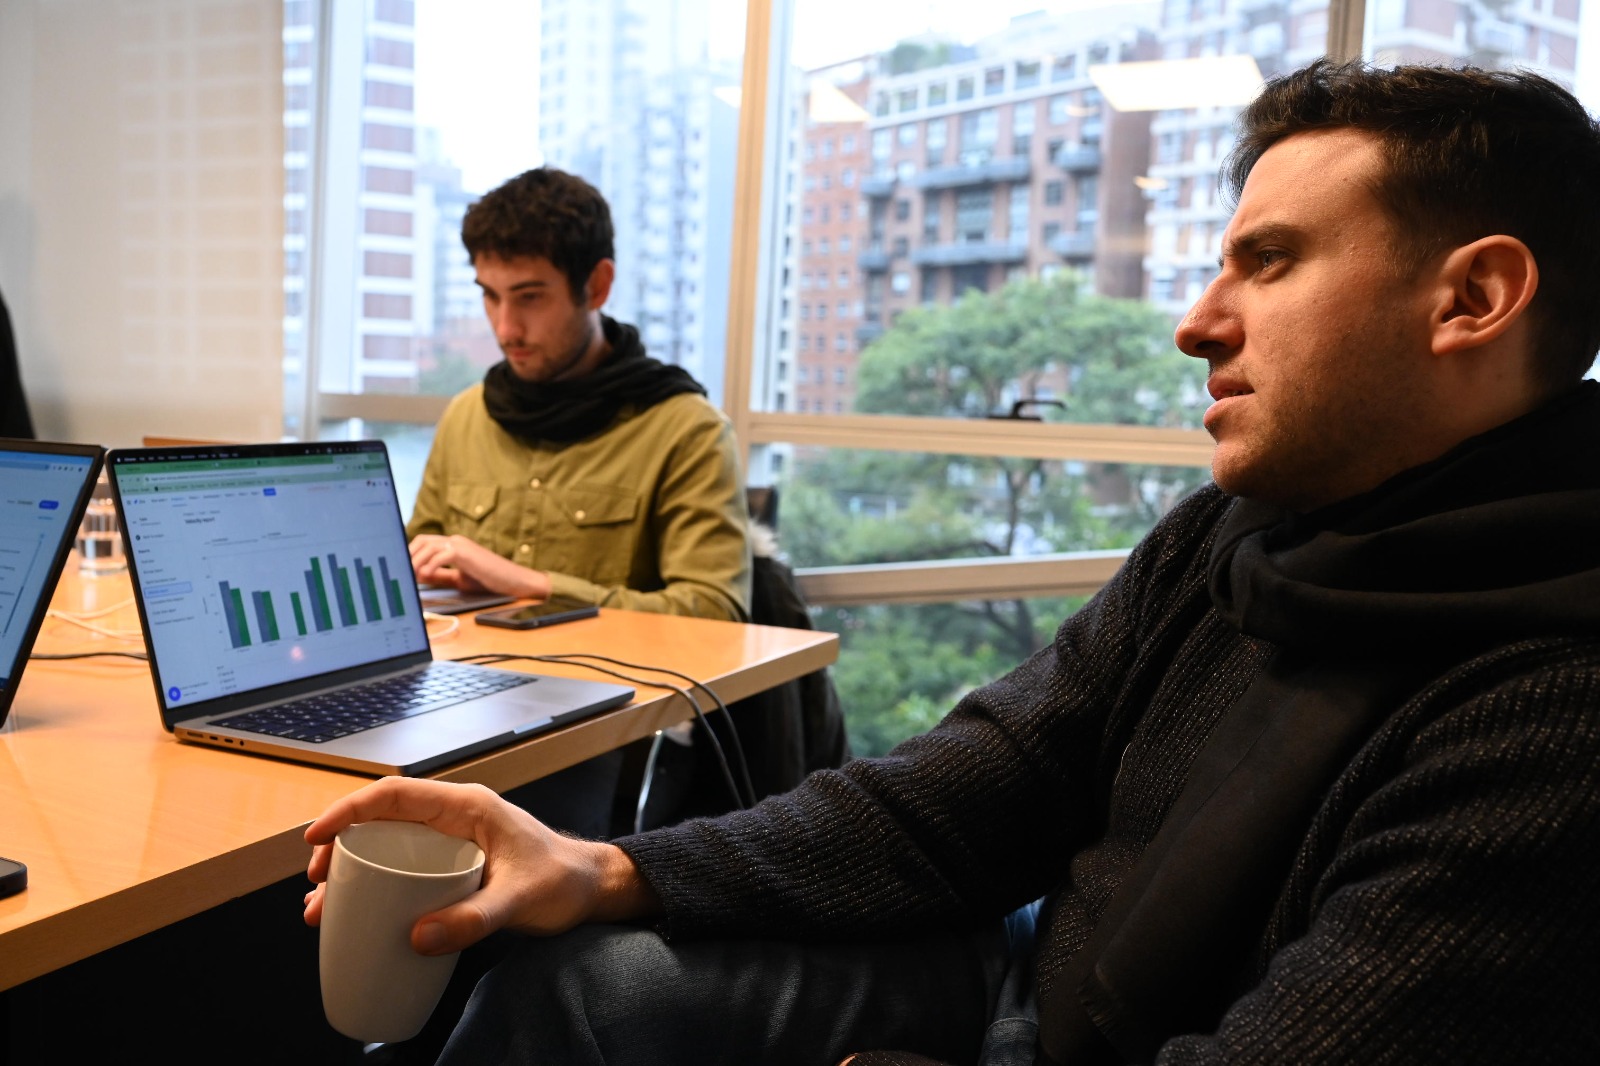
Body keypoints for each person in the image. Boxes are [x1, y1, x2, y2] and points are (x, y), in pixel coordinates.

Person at [304, 61, 1600, 1064]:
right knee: (558, 978)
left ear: (1472, 299)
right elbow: (977, 785)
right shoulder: (1236, 532)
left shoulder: (1549, 714)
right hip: (1033, 973)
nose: (1197, 323)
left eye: (1269, 264)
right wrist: (618, 866)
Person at [406, 166, 750, 623]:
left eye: (530, 297)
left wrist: (534, 585)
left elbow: (716, 614)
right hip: (470, 681)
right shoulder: (468, 415)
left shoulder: (687, 431)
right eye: (490, 296)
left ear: (597, 287)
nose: (506, 328)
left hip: (622, 692)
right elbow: (413, 568)